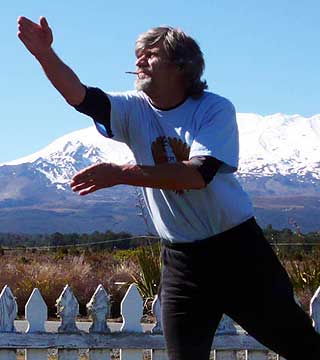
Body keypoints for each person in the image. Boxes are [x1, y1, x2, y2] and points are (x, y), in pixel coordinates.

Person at [17, 16, 320, 359]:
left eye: (150, 54)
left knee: (303, 347)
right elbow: (80, 96)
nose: (139, 60)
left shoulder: (213, 109)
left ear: (181, 66)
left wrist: (121, 173)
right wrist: (44, 54)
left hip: (238, 253)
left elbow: (196, 175)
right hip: (181, 262)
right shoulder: (133, 109)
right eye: (137, 54)